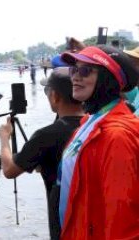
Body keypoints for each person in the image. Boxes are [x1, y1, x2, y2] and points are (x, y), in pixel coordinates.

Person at [56, 45, 139, 239]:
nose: (75, 77)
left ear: (107, 79)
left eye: (85, 71)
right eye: (74, 69)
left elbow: (121, 217)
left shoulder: (117, 136)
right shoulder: (89, 122)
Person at [0, 65, 83, 240]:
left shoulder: (46, 136)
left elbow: (9, 170)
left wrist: (5, 138)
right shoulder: (95, 125)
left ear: (55, 96)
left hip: (63, 223)